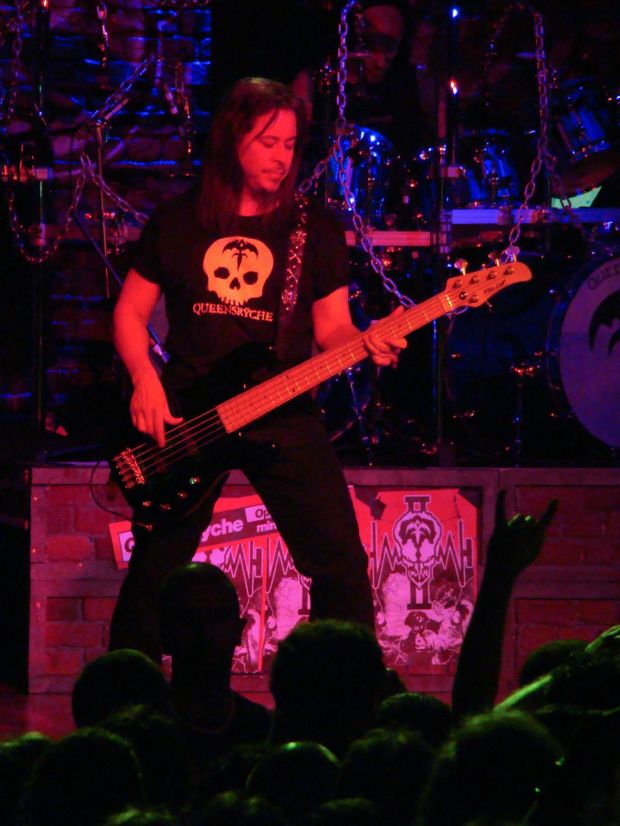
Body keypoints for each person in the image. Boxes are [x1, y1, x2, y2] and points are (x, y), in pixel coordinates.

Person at [108, 76, 407, 662]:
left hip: (282, 410)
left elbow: (332, 329)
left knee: (340, 562)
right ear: (233, 138)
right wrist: (144, 378)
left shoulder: (312, 229)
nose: (282, 157)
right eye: (269, 142)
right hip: (191, 413)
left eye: (291, 144)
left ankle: (343, 686)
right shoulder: (179, 221)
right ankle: (126, 691)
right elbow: (129, 312)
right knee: (155, 567)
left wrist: (366, 341)